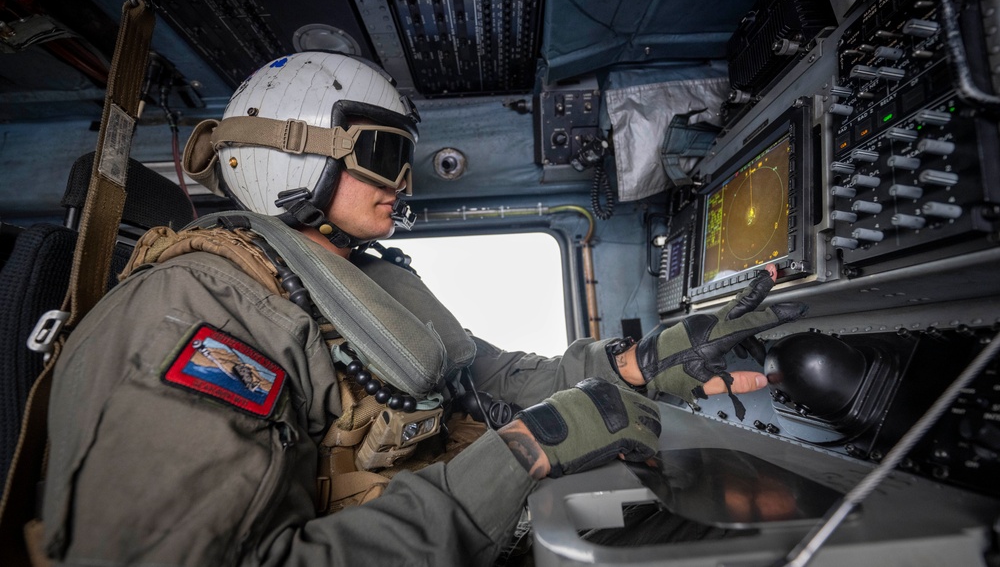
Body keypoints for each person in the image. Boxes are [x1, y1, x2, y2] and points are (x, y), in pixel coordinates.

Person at [38, 52, 806, 566]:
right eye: (381, 154)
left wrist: (636, 364)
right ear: (290, 153)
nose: (400, 181)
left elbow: (496, 372)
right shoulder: (198, 312)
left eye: (403, 159)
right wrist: (519, 455)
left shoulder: (364, 279)